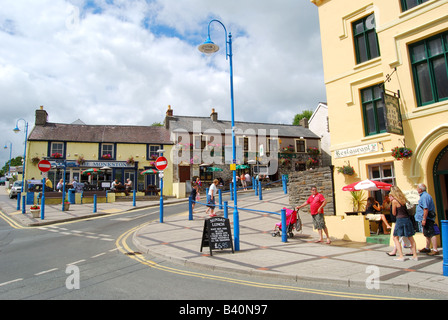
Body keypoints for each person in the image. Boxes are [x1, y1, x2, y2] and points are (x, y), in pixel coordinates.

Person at [388, 186, 418, 262]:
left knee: (395, 237)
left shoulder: (394, 201)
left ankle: (401, 256)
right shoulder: (403, 199)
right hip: (407, 219)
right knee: (411, 238)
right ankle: (415, 255)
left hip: (400, 220)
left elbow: (394, 213)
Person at [415, 183, 439, 256]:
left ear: (420, 189)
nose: (416, 189)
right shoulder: (424, 196)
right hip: (426, 218)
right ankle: (427, 247)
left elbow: (425, 208)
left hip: (427, 218)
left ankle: (435, 249)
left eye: (417, 188)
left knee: (431, 233)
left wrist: (424, 219)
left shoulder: (425, 196)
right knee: (427, 234)